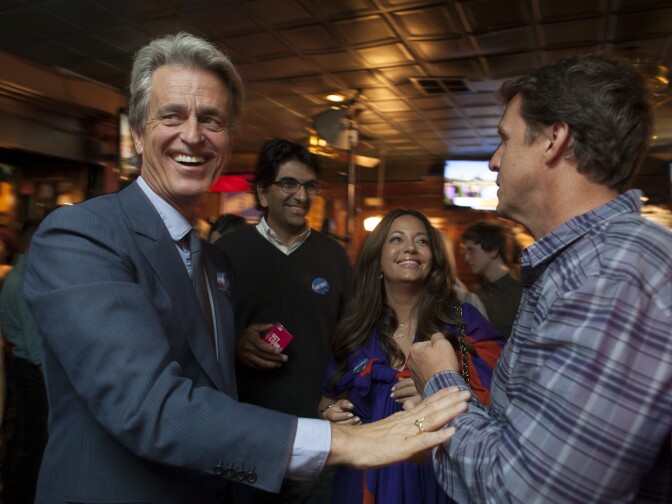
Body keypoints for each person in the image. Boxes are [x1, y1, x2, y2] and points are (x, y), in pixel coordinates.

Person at [22, 32, 466, 504]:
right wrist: (352, 441)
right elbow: (150, 408)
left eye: (211, 119)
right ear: (136, 131)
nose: (193, 135)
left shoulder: (213, 261)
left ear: (228, 139)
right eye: (172, 115)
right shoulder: (82, 235)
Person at [409, 54, 672, 503]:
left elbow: (527, 492)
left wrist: (440, 384)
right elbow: (521, 435)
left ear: (553, 140)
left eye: (505, 141)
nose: (493, 162)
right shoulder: (585, 262)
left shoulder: (612, 271)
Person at [319, 209, 504, 503]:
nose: (410, 248)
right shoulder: (354, 331)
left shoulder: (462, 321)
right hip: (364, 479)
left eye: (421, 241)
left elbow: (501, 402)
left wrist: (436, 387)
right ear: (377, 259)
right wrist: (331, 418)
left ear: (433, 261)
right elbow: (326, 402)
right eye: (396, 239)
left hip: (437, 477)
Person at [214, 137, 351, 503]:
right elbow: (199, 334)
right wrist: (235, 341)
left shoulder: (333, 256)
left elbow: (351, 338)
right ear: (263, 192)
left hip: (317, 435)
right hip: (247, 432)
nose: (301, 196)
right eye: (288, 183)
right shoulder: (227, 253)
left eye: (309, 186)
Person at [0, 219, 47, 503]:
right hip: (30, 371)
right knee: (36, 442)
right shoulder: (24, 281)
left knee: (25, 436)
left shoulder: (18, 276)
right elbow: (35, 347)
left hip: (22, 365)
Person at [461, 220, 522, 339]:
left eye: (471, 250)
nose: (466, 258)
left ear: (493, 251)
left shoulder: (521, 294)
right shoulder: (475, 292)